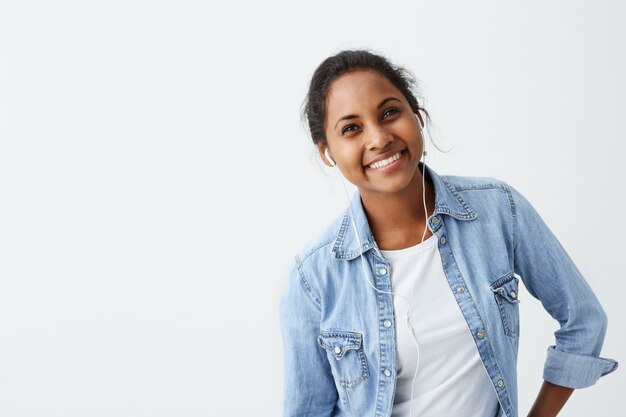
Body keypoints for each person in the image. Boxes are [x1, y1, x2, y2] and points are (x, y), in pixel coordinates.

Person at [278, 49, 617, 417]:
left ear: (417, 116)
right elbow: (307, 410)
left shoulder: (497, 209)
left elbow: (584, 319)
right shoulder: (313, 276)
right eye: (351, 128)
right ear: (327, 152)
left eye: (390, 112)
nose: (378, 138)